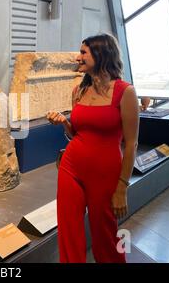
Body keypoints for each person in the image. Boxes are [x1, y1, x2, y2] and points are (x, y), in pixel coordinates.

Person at [47, 33, 139, 263]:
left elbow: (131, 144)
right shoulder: (78, 90)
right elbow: (76, 134)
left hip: (106, 173)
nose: (78, 57)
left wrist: (122, 188)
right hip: (71, 167)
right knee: (68, 232)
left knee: (105, 234)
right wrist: (65, 123)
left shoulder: (125, 92)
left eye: (83, 52)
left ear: (100, 54)